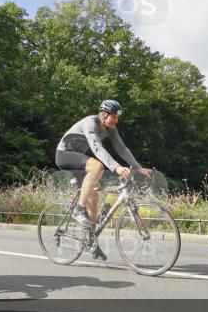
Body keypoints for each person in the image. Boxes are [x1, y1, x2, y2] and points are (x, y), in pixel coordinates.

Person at [55, 100, 153, 259]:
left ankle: (91, 241)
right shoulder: (90, 123)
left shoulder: (111, 129)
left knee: (93, 197)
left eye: (117, 117)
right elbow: (96, 148)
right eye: (113, 117)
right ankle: (78, 209)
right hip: (65, 154)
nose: (116, 120)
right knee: (97, 167)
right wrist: (117, 167)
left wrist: (139, 167)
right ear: (103, 114)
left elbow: (122, 149)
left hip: (79, 159)